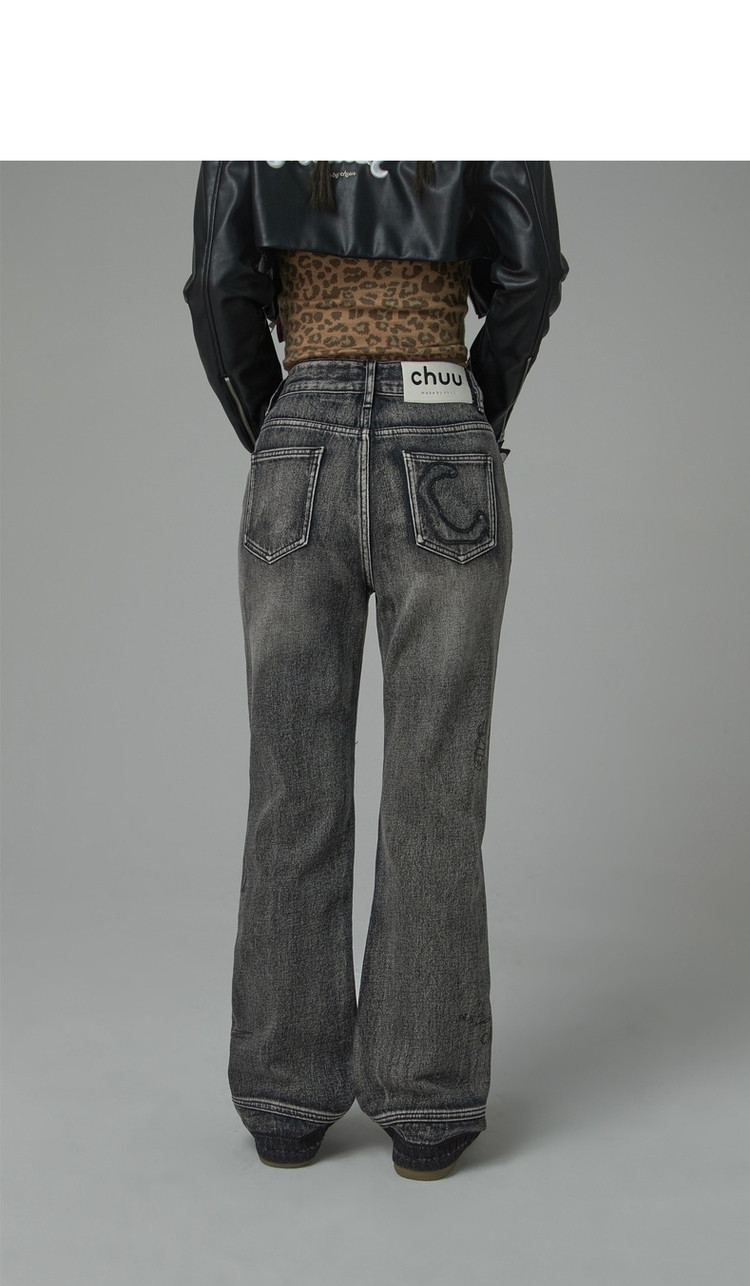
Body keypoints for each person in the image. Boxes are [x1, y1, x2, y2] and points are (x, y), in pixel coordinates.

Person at [183, 160, 569, 1180]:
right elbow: (531, 273)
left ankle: (284, 1099)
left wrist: (279, 420)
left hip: (298, 430)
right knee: (437, 786)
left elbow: (218, 282)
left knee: (291, 783)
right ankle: (427, 1104)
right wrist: (470, 409)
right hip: (441, 421)